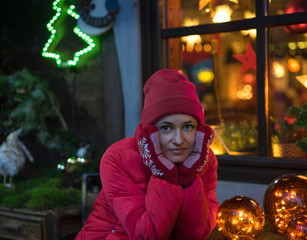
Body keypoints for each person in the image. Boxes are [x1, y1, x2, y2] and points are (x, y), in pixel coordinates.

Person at [75, 69, 219, 239]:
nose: (179, 140)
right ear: (150, 131)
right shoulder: (117, 158)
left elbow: (196, 235)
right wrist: (165, 176)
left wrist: (188, 179)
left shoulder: (204, 161)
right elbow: (146, 235)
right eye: (166, 128)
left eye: (188, 127)